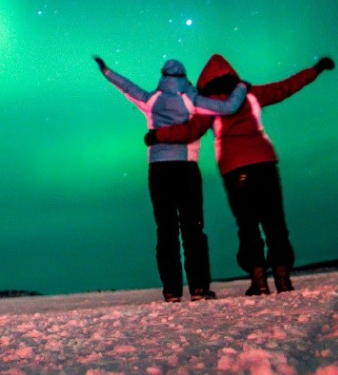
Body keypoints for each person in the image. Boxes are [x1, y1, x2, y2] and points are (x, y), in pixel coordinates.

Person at [145, 53, 335, 295]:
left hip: (235, 168)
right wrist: (315, 69)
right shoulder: (251, 94)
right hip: (264, 163)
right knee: (275, 221)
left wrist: (158, 136)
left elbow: (189, 132)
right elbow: (286, 87)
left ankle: (259, 282)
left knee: (248, 225)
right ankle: (283, 279)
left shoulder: (209, 106)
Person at [96, 55, 248, 302]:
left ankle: (171, 291)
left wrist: (106, 71)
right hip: (186, 168)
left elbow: (127, 86)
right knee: (193, 229)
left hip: (158, 170)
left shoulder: (151, 100)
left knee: (165, 229)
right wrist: (241, 87)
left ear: (163, 76)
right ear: (184, 76)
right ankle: (198, 288)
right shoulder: (193, 100)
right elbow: (229, 107)